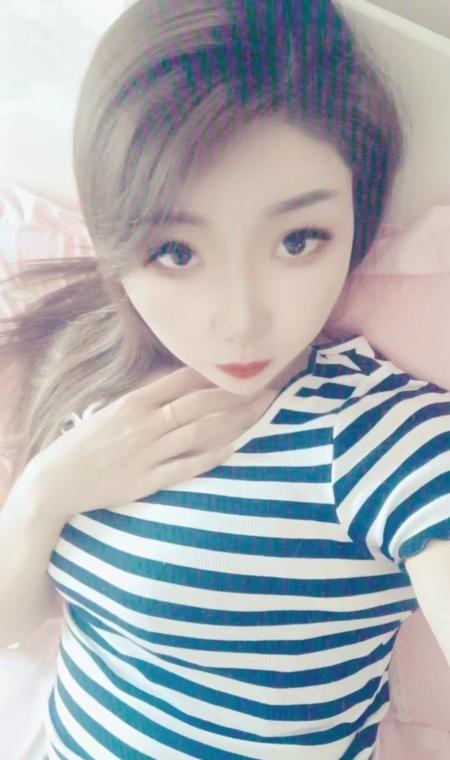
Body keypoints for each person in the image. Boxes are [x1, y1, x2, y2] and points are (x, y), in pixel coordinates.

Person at [0, 1, 449, 759]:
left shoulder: (374, 440)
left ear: (359, 218)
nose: (241, 321)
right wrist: (44, 495)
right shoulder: (89, 375)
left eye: (298, 240)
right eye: (176, 252)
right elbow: (12, 627)